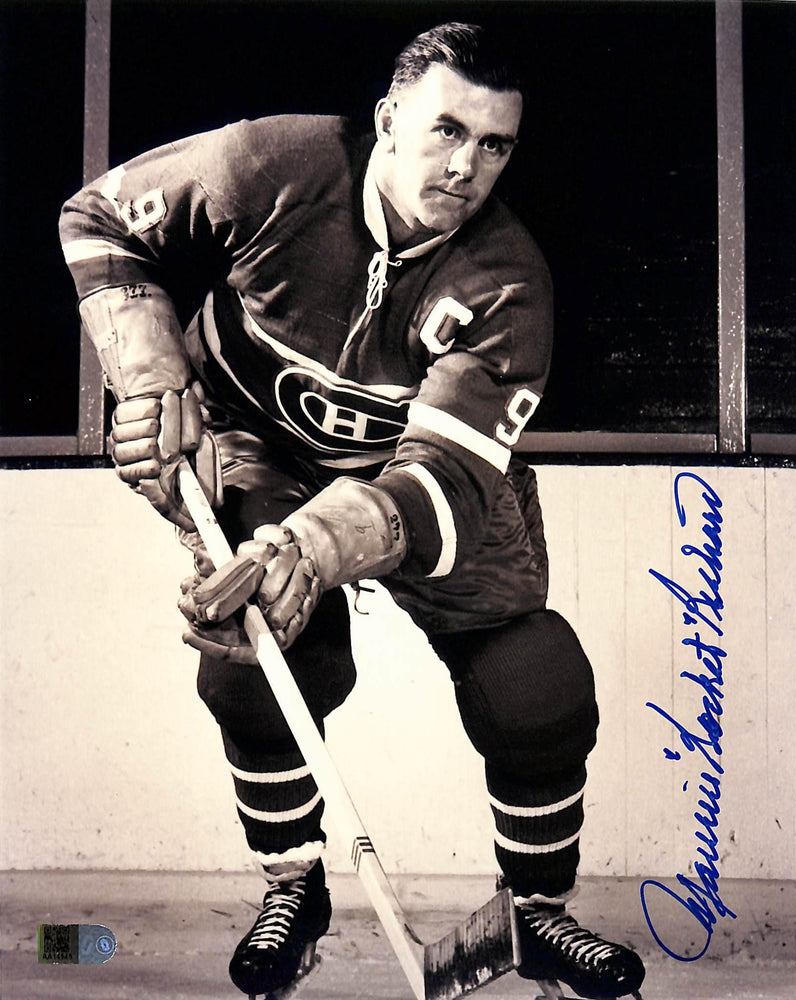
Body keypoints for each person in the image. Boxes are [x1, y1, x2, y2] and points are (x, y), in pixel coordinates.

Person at [60, 22, 645, 1000]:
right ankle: (293, 888)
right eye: (446, 130)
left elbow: (443, 482)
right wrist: (150, 374)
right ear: (387, 119)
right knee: (256, 662)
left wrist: (316, 544)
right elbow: (100, 218)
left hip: (418, 484)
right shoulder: (265, 165)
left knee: (535, 680)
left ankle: (536, 912)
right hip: (259, 442)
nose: (465, 166)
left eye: (494, 144)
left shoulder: (509, 285)